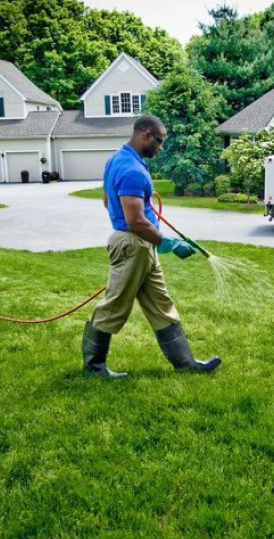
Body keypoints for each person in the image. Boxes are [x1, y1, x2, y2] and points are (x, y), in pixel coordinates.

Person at [81, 114, 221, 377]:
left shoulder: (117, 160)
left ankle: (185, 363)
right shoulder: (132, 170)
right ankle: (93, 367)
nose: (160, 147)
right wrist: (168, 243)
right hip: (134, 244)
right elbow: (135, 221)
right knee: (115, 306)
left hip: (141, 245)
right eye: (159, 141)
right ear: (145, 134)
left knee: (161, 303)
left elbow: (106, 202)